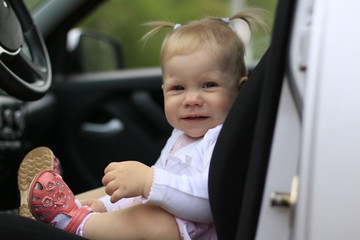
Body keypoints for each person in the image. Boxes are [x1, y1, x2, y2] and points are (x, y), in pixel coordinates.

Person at [17, 9, 265, 240]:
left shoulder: (221, 138)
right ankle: (65, 209)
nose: (191, 99)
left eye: (208, 85)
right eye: (178, 88)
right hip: (171, 220)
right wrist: (105, 205)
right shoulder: (181, 135)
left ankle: (74, 223)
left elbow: (207, 201)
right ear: (164, 91)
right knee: (116, 192)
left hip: (190, 232)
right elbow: (156, 188)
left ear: (239, 91)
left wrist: (148, 180)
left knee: (153, 216)